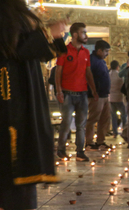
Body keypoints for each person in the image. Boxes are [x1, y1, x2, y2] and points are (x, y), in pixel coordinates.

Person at [0, 0, 66, 210]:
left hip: (8, 88)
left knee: (0, 144)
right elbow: (15, 49)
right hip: (9, 91)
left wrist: (49, 34)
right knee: (18, 141)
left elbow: (30, 49)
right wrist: (46, 32)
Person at [55, 22, 98, 161]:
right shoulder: (64, 50)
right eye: (83, 32)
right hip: (67, 93)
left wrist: (93, 89)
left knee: (81, 125)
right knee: (66, 122)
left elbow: (88, 71)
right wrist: (59, 90)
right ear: (74, 34)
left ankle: (80, 151)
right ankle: (61, 149)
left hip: (82, 93)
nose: (86, 35)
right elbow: (58, 71)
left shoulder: (86, 52)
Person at [86, 40, 111, 150]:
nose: (107, 54)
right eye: (106, 51)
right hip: (96, 95)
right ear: (99, 50)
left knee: (105, 119)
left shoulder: (101, 61)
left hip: (104, 95)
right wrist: (94, 91)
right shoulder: (92, 60)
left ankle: (100, 141)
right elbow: (89, 76)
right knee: (93, 118)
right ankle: (89, 142)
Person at [109, 60, 127, 138]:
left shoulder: (108, 74)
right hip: (119, 98)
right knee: (124, 115)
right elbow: (123, 85)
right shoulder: (119, 75)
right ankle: (124, 130)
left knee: (113, 116)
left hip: (111, 98)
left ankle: (115, 132)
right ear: (117, 67)